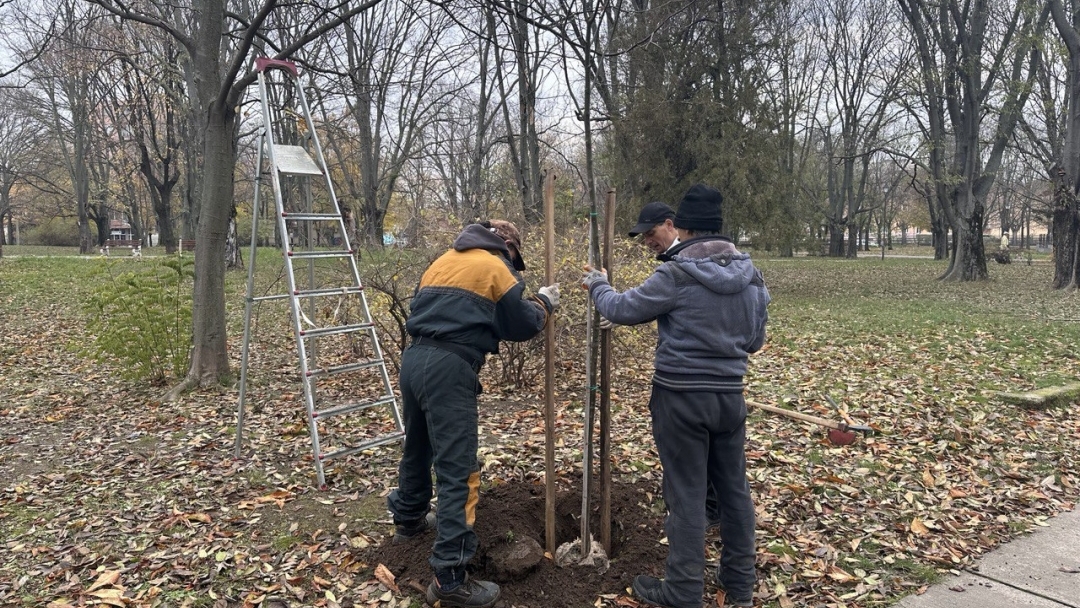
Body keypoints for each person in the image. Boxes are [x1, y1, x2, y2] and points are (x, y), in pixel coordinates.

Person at [581, 184, 769, 608]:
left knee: (685, 493)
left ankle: (682, 591)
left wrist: (598, 285)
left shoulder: (677, 273)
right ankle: (738, 586)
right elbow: (755, 341)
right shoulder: (752, 277)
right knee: (734, 491)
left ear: (681, 227)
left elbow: (622, 310)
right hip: (729, 398)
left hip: (681, 397)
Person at [388, 219, 559, 608]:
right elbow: (521, 323)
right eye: (516, 256)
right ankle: (449, 577)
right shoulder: (495, 267)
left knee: (417, 448)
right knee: (458, 469)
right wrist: (545, 302)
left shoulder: (442, 260)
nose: (515, 264)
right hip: (450, 366)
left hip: (414, 359)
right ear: (509, 246)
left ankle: (409, 520)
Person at [622, 201, 722, 531]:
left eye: (650, 233)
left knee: (684, 475)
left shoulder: (680, 267)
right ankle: (713, 514)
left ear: (671, 225)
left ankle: (684, 565)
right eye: (643, 237)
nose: (647, 241)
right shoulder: (727, 264)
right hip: (724, 385)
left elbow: (634, 306)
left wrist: (600, 288)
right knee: (718, 464)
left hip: (681, 386)